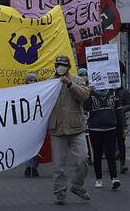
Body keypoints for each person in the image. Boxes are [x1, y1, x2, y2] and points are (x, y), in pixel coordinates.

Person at [48, 55, 90, 205]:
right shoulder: (49, 83)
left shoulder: (77, 80)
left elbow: (84, 95)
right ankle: (60, 192)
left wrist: (70, 84)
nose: (60, 67)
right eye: (58, 65)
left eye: (63, 65)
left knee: (83, 159)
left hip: (76, 128)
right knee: (58, 166)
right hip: (57, 129)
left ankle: (77, 185)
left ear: (68, 67)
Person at [84, 87, 126, 190]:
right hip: (95, 128)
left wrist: (124, 126)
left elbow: (119, 111)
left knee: (110, 153)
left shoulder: (112, 93)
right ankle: (99, 179)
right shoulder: (91, 93)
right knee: (97, 154)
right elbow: (86, 107)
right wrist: (88, 93)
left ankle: (114, 178)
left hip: (111, 127)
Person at [116, 62, 130, 173]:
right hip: (109, 120)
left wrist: (121, 109)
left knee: (121, 142)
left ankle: (122, 163)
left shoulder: (124, 91)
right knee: (110, 143)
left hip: (120, 121)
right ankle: (112, 162)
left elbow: (129, 104)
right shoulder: (108, 92)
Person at [23, 73, 40, 177]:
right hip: (26, 124)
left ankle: (34, 166)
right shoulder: (22, 92)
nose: (32, 83)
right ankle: (29, 167)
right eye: (30, 80)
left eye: (34, 81)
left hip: (37, 123)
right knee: (28, 145)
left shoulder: (41, 91)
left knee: (36, 145)